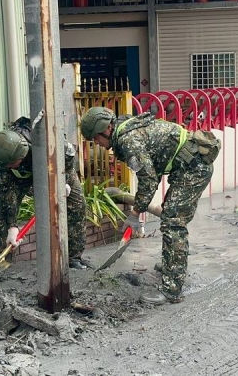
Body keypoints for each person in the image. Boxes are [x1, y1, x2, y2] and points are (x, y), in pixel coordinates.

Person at [79, 106, 220, 305]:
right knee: (171, 216)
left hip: (194, 168)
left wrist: (135, 213)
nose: (97, 143)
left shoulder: (128, 141)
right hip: (186, 166)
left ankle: (172, 289)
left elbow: (148, 179)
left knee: (173, 223)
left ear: (107, 128)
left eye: (96, 138)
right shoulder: (125, 129)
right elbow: (152, 169)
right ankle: (172, 266)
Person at [0, 116, 88, 269]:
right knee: (0, 214)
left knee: (77, 204)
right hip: (20, 177)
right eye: (7, 165)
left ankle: (73, 258)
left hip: (54, 166)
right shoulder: (2, 157)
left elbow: (68, 156)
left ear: (21, 154)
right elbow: (5, 191)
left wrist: (63, 181)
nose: (9, 167)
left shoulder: (46, 142)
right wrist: (12, 226)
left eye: (12, 164)